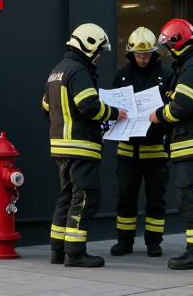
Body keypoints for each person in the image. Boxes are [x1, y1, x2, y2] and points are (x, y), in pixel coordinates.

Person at [42, 23, 127, 268]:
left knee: (67, 197)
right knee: (85, 197)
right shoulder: (78, 71)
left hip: (61, 147)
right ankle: (76, 253)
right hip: (81, 147)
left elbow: (46, 106)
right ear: (89, 45)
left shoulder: (57, 71)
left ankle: (58, 251)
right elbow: (89, 106)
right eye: (99, 50)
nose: (99, 56)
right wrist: (114, 112)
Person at [149, 19, 193, 270]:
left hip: (192, 143)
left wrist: (159, 115)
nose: (166, 53)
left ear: (175, 42)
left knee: (189, 199)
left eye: (167, 47)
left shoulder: (192, 67)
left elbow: (181, 106)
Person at [109, 27, 172, 258]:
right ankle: (124, 242)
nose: (142, 58)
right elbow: (114, 107)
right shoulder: (121, 76)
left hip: (156, 151)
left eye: (146, 54)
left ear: (154, 52)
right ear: (130, 54)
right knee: (125, 198)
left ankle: (153, 243)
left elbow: (172, 111)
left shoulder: (165, 76)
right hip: (127, 151)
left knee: (156, 199)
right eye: (138, 54)